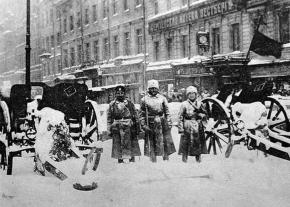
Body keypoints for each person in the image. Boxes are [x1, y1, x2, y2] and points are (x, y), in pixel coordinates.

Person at [139, 79, 176, 162]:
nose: (153, 90)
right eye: (151, 88)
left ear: (157, 89)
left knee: (164, 141)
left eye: (155, 88)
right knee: (152, 142)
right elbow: (141, 114)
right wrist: (143, 125)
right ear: (148, 89)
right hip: (151, 123)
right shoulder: (144, 99)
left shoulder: (162, 98)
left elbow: (167, 112)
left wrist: (169, 123)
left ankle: (166, 159)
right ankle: (153, 160)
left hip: (162, 122)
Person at [107, 85, 141, 163]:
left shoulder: (129, 103)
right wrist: (109, 129)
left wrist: (137, 127)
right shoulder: (112, 104)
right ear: (115, 94)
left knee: (131, 142)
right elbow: (109, 118)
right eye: (118, 93)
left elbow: (135, 115)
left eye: (122, 93)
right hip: (117, 125)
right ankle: (120, 159)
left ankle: (131, 158)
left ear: (124, 94)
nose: (120, 95)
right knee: (118, 142)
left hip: (129, 125)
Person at [178, 86, 208, 163]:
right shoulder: (184, 104)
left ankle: (198, 159)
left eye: (193, 93)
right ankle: (184, 159)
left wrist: (201, 116)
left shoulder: (200, 103)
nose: (191, 95)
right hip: (187, 125)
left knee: (198, 142)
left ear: (196, 94)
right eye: (189, 94)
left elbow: (205, 114)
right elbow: (180, 117)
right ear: (187, 95)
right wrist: (181, 128)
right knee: (185, 143)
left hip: (197, 126)